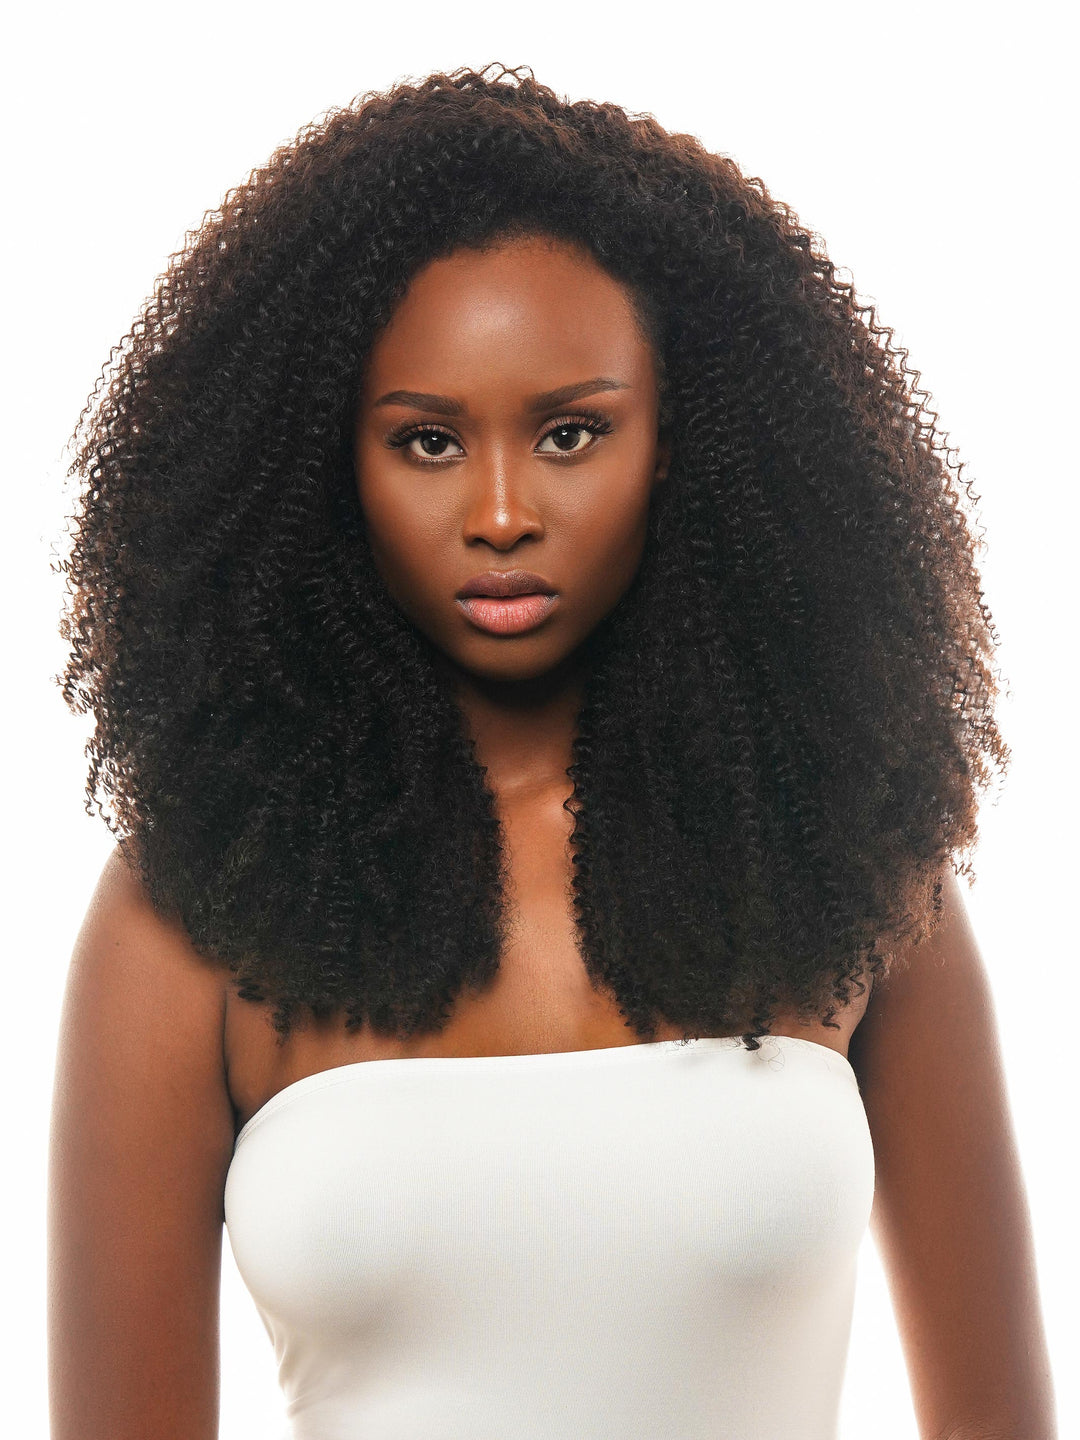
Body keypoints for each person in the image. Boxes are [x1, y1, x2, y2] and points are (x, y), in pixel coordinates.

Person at [47, 61, 1057, 1440]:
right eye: (427, 442)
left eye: (572, 431)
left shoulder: (847, 861)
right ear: (318, 464)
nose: (504, 511)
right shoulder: (195, 909)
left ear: (688, 444)